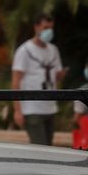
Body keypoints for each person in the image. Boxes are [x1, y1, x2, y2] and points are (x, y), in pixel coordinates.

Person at [12, 14, 67, 145]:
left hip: (50, 108)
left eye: (51, 28)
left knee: (49, 146)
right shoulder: (24, 50)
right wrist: (17, 110)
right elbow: (15, 81)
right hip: (32, 109)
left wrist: (61, 75)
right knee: (40, 147)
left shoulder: (53, 50)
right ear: (36, 27)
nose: (49, 31)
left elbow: (57, 75)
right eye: (45, 27)